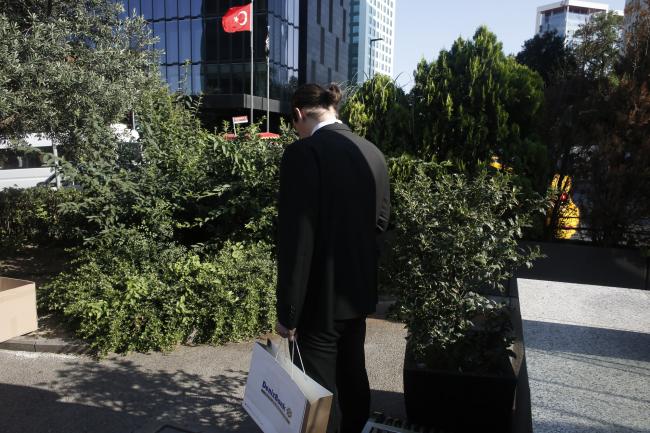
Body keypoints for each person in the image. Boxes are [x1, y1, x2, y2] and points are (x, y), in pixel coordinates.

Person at [275, 83, 390, 433]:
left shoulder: (303, 154)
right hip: (357, 291)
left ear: (298, 114)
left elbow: (297, 239)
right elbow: (382, 222)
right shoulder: (372, 152)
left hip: (317, 298)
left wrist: (288, 313)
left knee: (315, 390)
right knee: (353, 371)